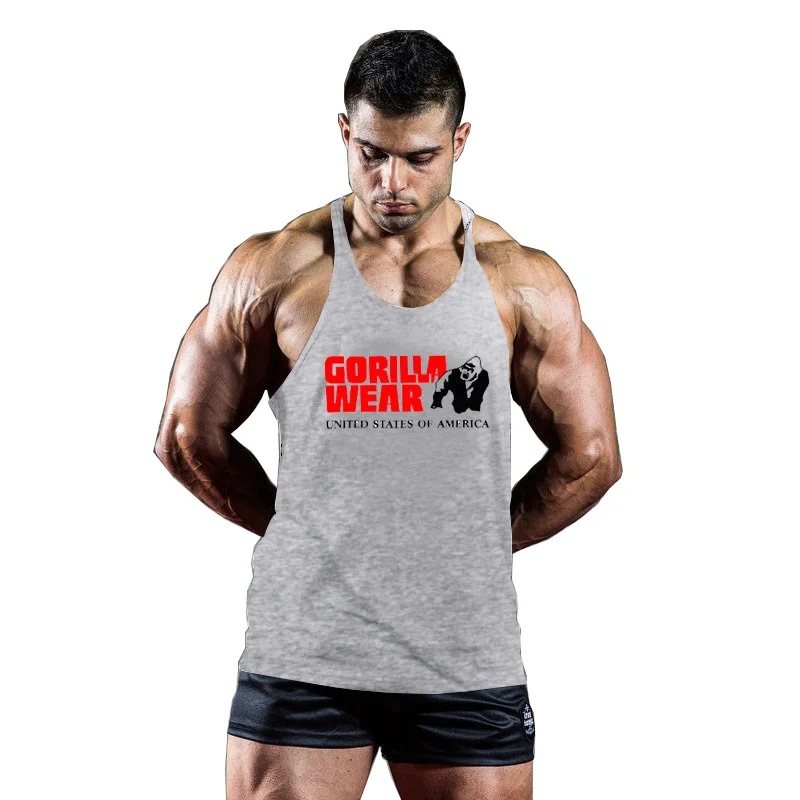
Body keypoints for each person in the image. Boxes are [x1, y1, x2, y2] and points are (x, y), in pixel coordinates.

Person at [154, 29, 622, 800]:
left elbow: (592, 453)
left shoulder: (518, 280)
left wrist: (463, 548)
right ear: (345, 131)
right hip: (306, 652)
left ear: (459, 142)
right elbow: (185, 435)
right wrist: (313, 538)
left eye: (419, 157)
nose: (391, 181)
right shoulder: (277, 268)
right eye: (371, 153)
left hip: (463, 652)